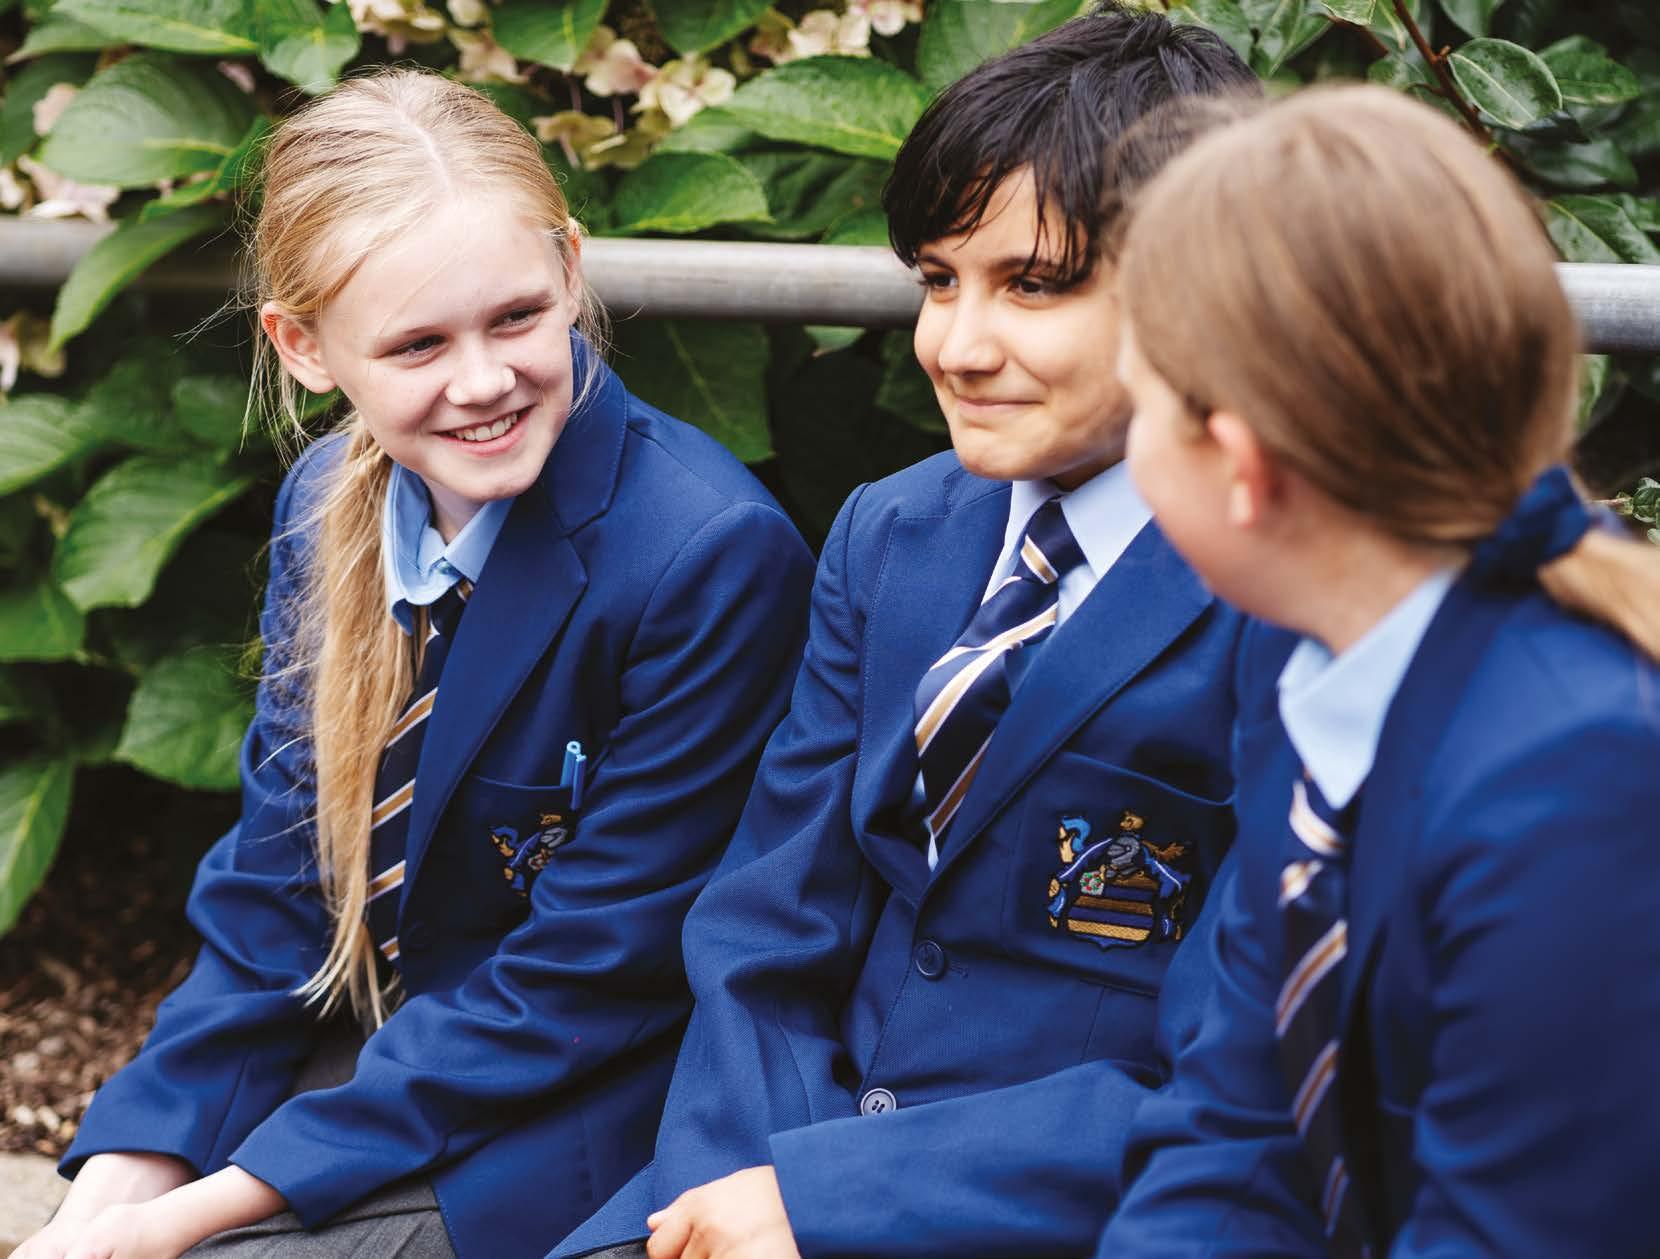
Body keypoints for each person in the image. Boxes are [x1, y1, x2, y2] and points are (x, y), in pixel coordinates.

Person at [20, 68, 814, 1259]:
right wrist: (121, 1180)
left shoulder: (705, 555)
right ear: (302, 345)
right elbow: (277, 889)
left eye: (516, 317)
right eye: (418, 343)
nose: (482, 380)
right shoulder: (322, 503)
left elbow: (585, 979)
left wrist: (184, 1216)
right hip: (390, 1051)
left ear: (571, 271)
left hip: (581, 1099)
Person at [555, 10, 1260, 1259]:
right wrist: (742, 1187)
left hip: (1063, 1213)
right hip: (767, 1162)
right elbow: (768, 921)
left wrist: (837, 1199)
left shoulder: (1280, 589)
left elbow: (1243, 1071)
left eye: (1032, 283)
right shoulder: (892, 532)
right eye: (937, 279)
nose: (954, 346)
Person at [1100, 84, 1660, 1258]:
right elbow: (1238, 1117)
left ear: (1240, 466)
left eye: (1139, 403)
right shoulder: (1314, 665)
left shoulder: (1581, 786)